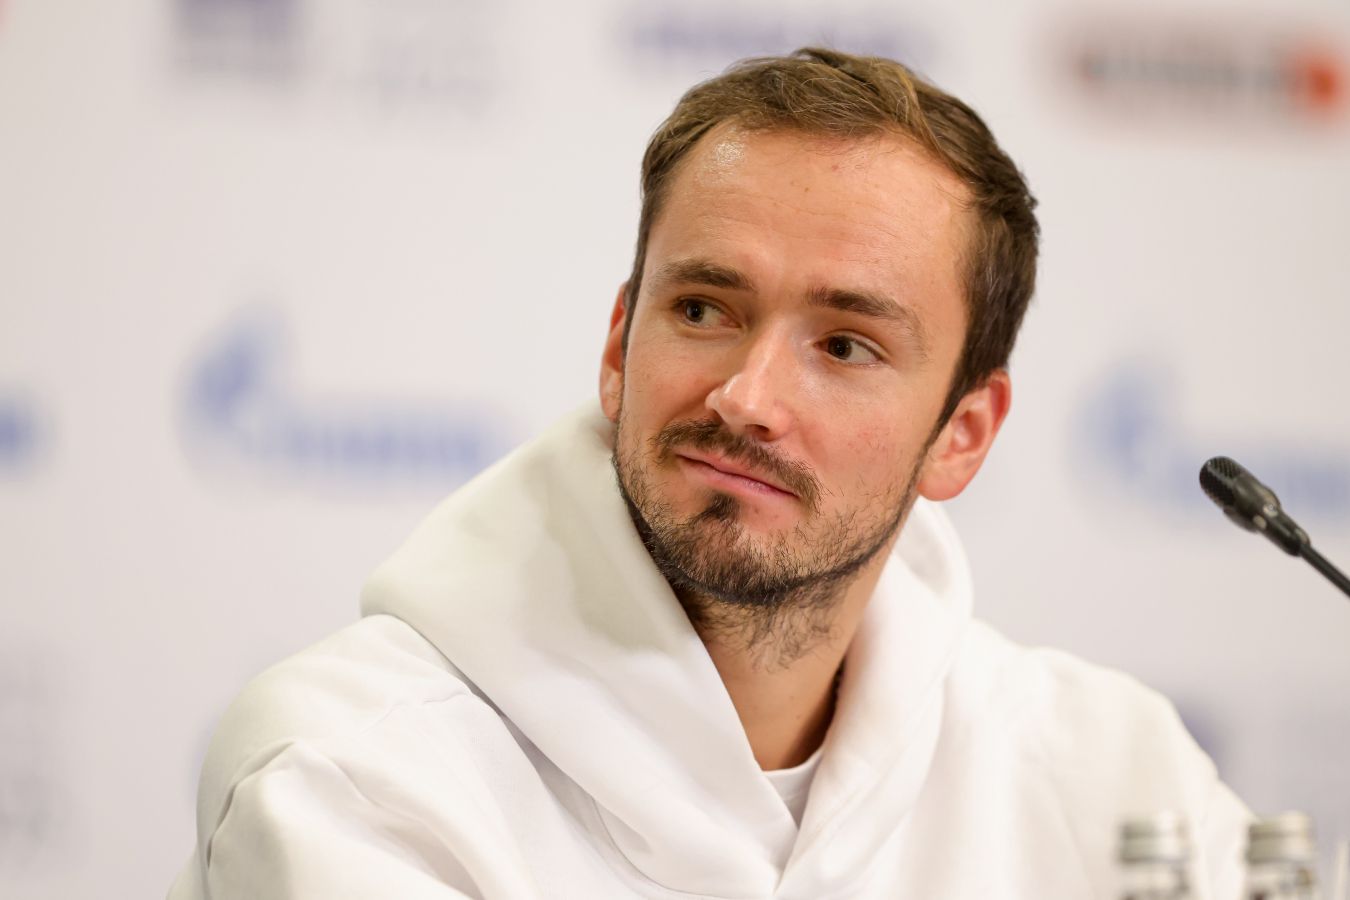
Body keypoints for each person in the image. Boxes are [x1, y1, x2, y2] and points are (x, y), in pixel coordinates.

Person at [170, 48, 1248, 899]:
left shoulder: (1114, 772)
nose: (747, 396)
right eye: (702, 310)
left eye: (845, 346)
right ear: (617, 346)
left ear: (962, 433)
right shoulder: (353, 770)